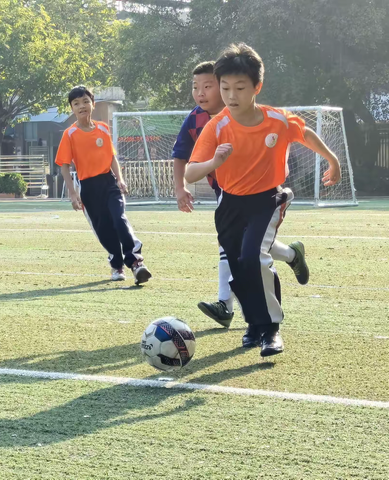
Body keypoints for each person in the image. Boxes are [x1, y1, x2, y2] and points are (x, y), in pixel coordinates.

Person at [186, 43, 341, 356]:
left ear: (257, 86)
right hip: (230, 205)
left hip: (267, 199)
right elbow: (190, 173)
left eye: (240, 88)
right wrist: (214, 164)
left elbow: (305, 134)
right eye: (225, 88)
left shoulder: (277, 120)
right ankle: (254, 325)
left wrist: (332, 160)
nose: (231, 95)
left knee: (254, 256)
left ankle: (271, 330)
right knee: (240, 266)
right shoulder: (217, 126)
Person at [173, 61, 309, 329]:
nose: (201, 92)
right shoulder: (196, 119)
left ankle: (227, 305)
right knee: (246, 247)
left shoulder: (245, 110)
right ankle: (292, 256)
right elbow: (180, 156)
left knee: (240, 249)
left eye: (208, 86)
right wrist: (180, 188)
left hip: (260, 192)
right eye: (195, 87)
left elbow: (289, 132)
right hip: (224, 190)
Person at [55, 85, 152, 285]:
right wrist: (73, 194)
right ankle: (116, 265)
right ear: (71, 108)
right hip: (88, 188)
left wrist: (120, 179)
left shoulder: (102, 128)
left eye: (85, 101)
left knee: (119, 219)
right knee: (104, 229)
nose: (81, 106)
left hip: (108, 183)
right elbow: (64, 167)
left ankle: (136, 263)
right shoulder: (70, 134)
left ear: (93, 104)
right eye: (76, 103)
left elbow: (112, 157)